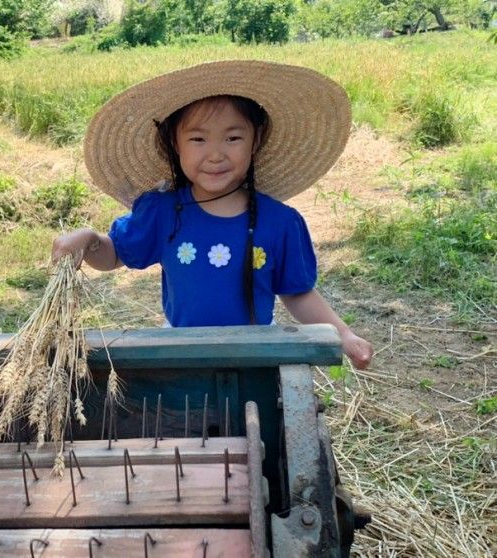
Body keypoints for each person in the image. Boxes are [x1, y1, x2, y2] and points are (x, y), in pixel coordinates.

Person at [52, 60, 372, 370]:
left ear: (255, 140)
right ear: (174, 143)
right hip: (181, 356)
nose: (216, 154)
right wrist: (90, 241)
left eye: (233, 138)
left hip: (258, 356)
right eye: (198, 139)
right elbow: (115, 254)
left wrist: (342, 334)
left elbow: (297, 292)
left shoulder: (280, 223)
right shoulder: (164, 212)